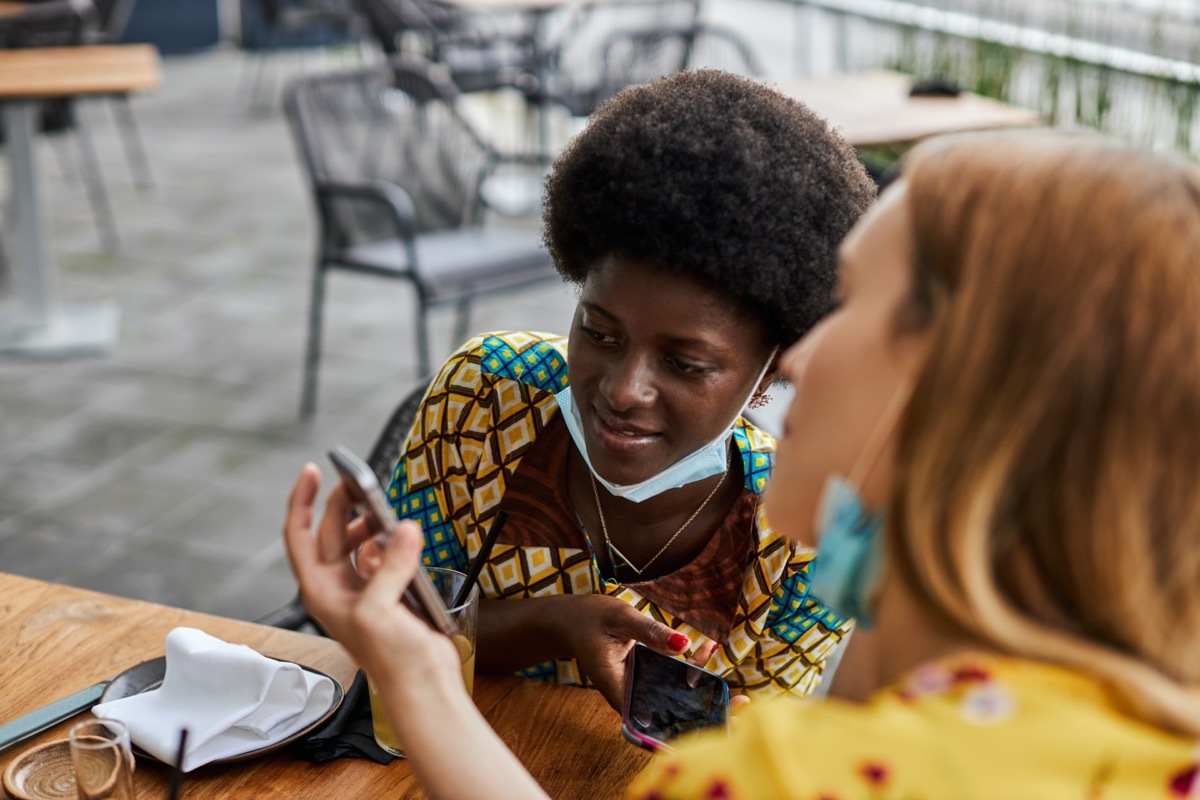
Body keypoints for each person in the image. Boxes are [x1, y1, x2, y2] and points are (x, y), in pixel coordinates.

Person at [285, 128, 1200, 797]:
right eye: (599, 331)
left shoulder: (794, 774)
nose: (804, 360)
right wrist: (424, 668)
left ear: (959, 397)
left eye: (848, 308)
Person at [352, 68, 876, 706]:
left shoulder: (800, 535)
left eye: (686, 364)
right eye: (600, 333)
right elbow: (401, 630)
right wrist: (555, 624)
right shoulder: (484, 402)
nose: (625, 390)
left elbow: (745, 755)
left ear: (772, 371)